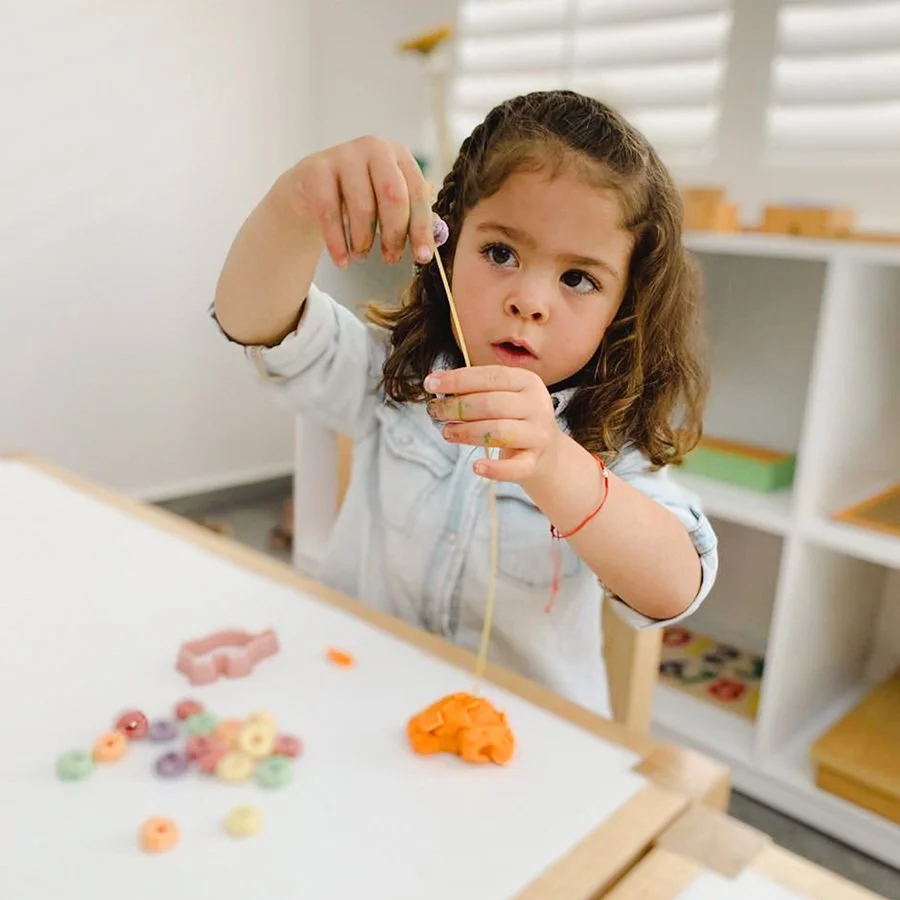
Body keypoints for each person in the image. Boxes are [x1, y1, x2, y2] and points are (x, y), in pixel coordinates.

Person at [212, 90, 718, 718]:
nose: (529, 300)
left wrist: (556, 464)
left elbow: (674, 589)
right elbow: (253, 322)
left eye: (578, 278)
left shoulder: (609, 442)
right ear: (448, 246)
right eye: (500, 253)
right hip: (359, 703)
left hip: (518, 742)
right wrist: (294, 204)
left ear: (623, 310)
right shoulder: (395, 377)